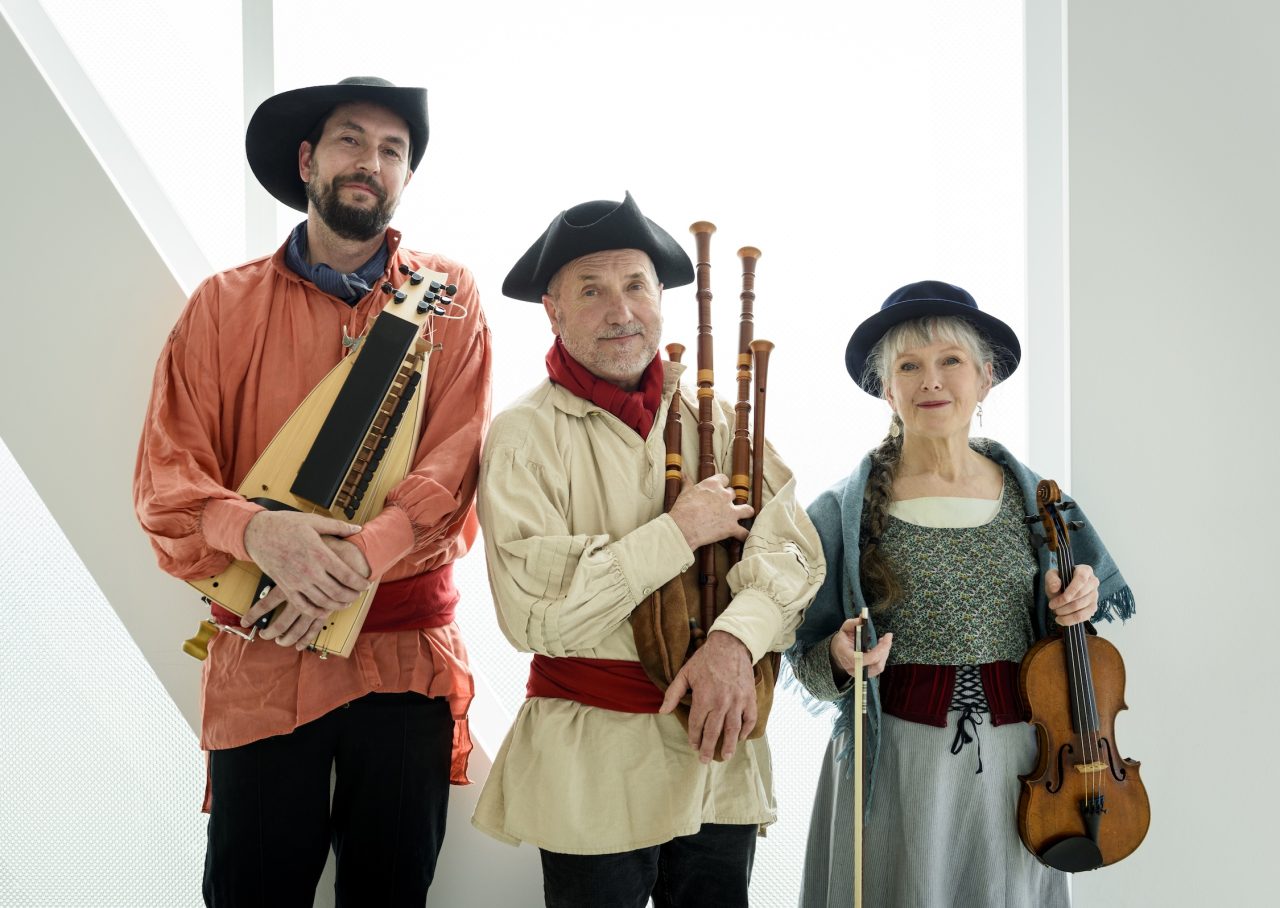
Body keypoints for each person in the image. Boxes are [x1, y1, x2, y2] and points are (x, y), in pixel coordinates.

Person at [133, 76, 491, 907]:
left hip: (401, 659)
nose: (371, 161)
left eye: (392, 150)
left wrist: (353, 563)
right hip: (267, 653)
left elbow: (455, 464)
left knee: (391, 894)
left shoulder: (446, 299)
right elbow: (166, 477)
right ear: (306, 161)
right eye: (350, 140)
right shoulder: (222, 307)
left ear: (405, 177)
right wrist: (260, 535)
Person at [470, 192, 825, 907]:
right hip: (592, 767)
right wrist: (677, 533)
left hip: (717, 753)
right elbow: (536, 617)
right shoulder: (521, 436)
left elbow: (793, 557)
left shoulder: (718, 419)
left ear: (660, 298)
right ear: (553, 311)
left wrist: (734, 641)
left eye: (635, 285)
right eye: (591, 291)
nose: (620, 310)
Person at [787, 281, 1136, 907]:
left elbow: (1075, 638)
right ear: (887, 389)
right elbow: (806, 659)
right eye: (908, 366)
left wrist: (1077, 604)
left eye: (950, 360)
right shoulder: (840, 511)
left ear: (985, 377)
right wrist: (839, 657)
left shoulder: (1039, 500)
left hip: (1021, 765)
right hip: (895, 760)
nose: (931, 381)